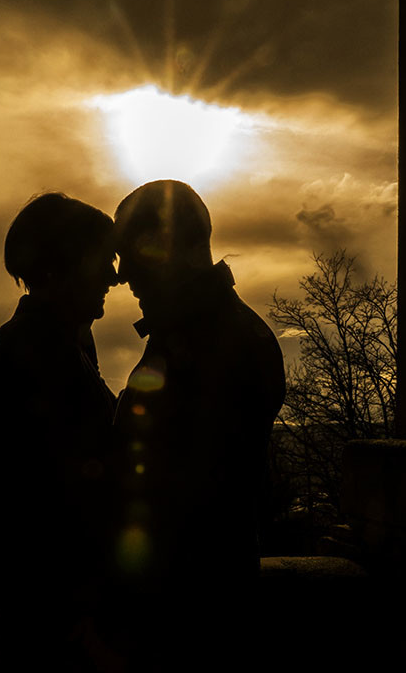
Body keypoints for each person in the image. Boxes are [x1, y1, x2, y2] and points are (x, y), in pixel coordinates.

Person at [101, 179, 285, 668]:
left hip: (186, 621)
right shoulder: (205, 331)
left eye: (130, 255)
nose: (121, 277)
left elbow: (178, 493)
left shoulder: (214, 342)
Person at [0, 192, 120, 664]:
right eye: (104, 260)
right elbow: (64, 490)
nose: (115, 275)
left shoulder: (63, 338)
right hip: (26, 611)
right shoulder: (36, 346)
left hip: (28, 603)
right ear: (63, 263)